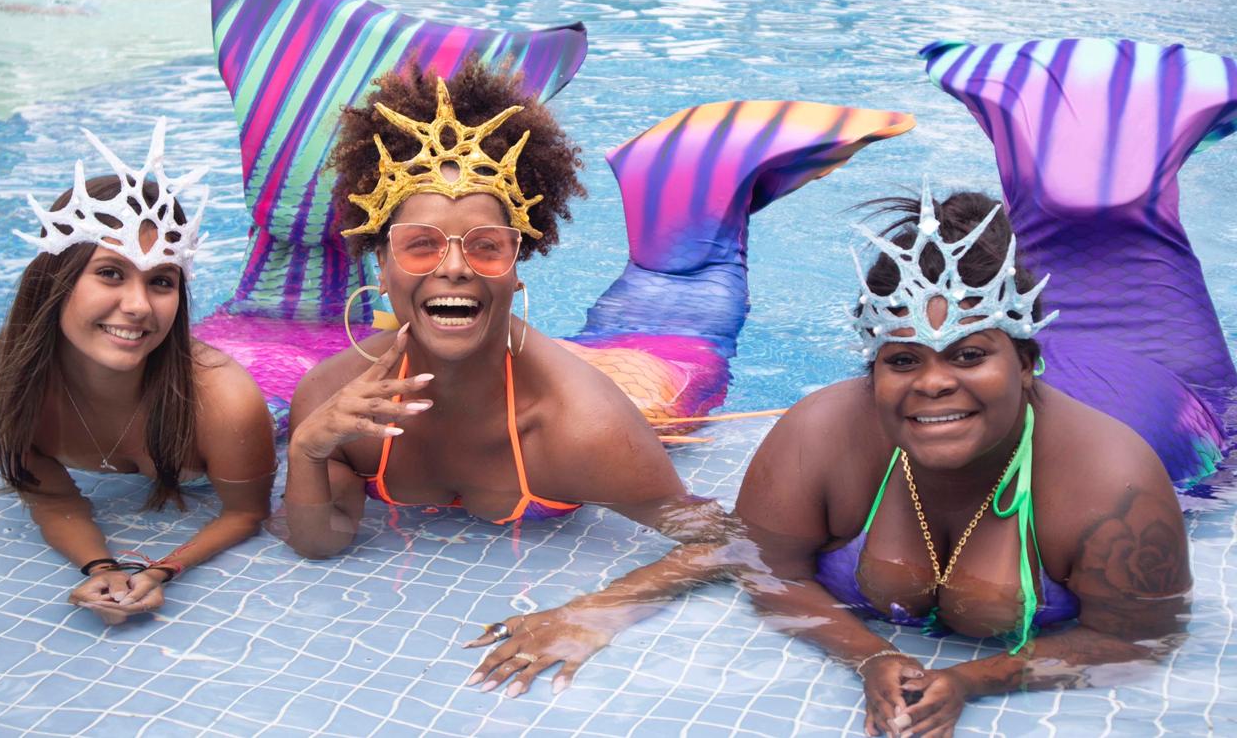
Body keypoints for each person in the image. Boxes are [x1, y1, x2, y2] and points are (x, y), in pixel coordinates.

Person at [465, 184, 1192, 735]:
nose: (934, 381)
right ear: (873, 367)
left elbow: (1139, 638)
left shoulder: (1113, 482)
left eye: (970, 354)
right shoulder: (822, 432)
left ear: (1026, 360)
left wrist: (976, 680)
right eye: (904, 359)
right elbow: (755, 556)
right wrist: (868, 655)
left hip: (1168, 409)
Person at [282, 63, 694, 562]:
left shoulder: (584, 425)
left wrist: (593, 615)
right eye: (420, 245)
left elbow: (726, 543)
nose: (454, 267)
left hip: (645, 384)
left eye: (486, 246)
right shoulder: (330, 397)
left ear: (515, 266)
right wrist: (307, 449)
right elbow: (320, 541)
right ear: (383, 266)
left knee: (684, 306)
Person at [0, 120, 276, 624]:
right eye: (110, 273)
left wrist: (157, 571)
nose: (137, 306)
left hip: (266, 409)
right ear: (56, 282)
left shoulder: (224, 401)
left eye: (161, 281)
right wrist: (101, 567)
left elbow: (246, 510)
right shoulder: (1, 394)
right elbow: (51, 498)